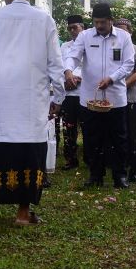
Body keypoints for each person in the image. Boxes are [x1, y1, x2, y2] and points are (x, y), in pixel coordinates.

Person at [0, 0, 65, 225]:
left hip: (1, 99)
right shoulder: (44, 20)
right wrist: (58, 96)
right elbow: (55, 62)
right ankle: (23, 213)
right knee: (30, 150)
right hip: (31, 99)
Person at [64, 3, 134, 189]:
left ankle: (120, 175)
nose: (100, 26)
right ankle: (95, 175)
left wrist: (111, 79)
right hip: (90, 98)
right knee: (92, 137)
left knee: (118, 138)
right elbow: (73, 56)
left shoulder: (124, 37)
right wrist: (68, 70)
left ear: (111, 20)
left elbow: (128, 64)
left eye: (103, 22)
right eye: (96, 22)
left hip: (115, 97)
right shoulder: (85, 36)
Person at [113, 18, 136, 182]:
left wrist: (120, 85)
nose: (121, 33)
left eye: (124, 30)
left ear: (130, 32)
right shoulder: (112, 48)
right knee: (117, 133)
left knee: (132, 133)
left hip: (131, 98)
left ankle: (133, 168)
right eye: (118, 30)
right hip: (113, 99)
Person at [59, 15, 85, 170]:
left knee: (87, 127)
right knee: (69, 127)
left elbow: (91, 66)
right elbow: (61, 65)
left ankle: (89, 159)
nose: (72, 31)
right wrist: (67, 78)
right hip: (68, 92)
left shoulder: (90, 43)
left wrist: (77, 78)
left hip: (84, 92)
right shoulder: (65, 46)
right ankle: (71, 159)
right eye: (70, 28)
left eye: (75, 27)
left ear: (82, 27)